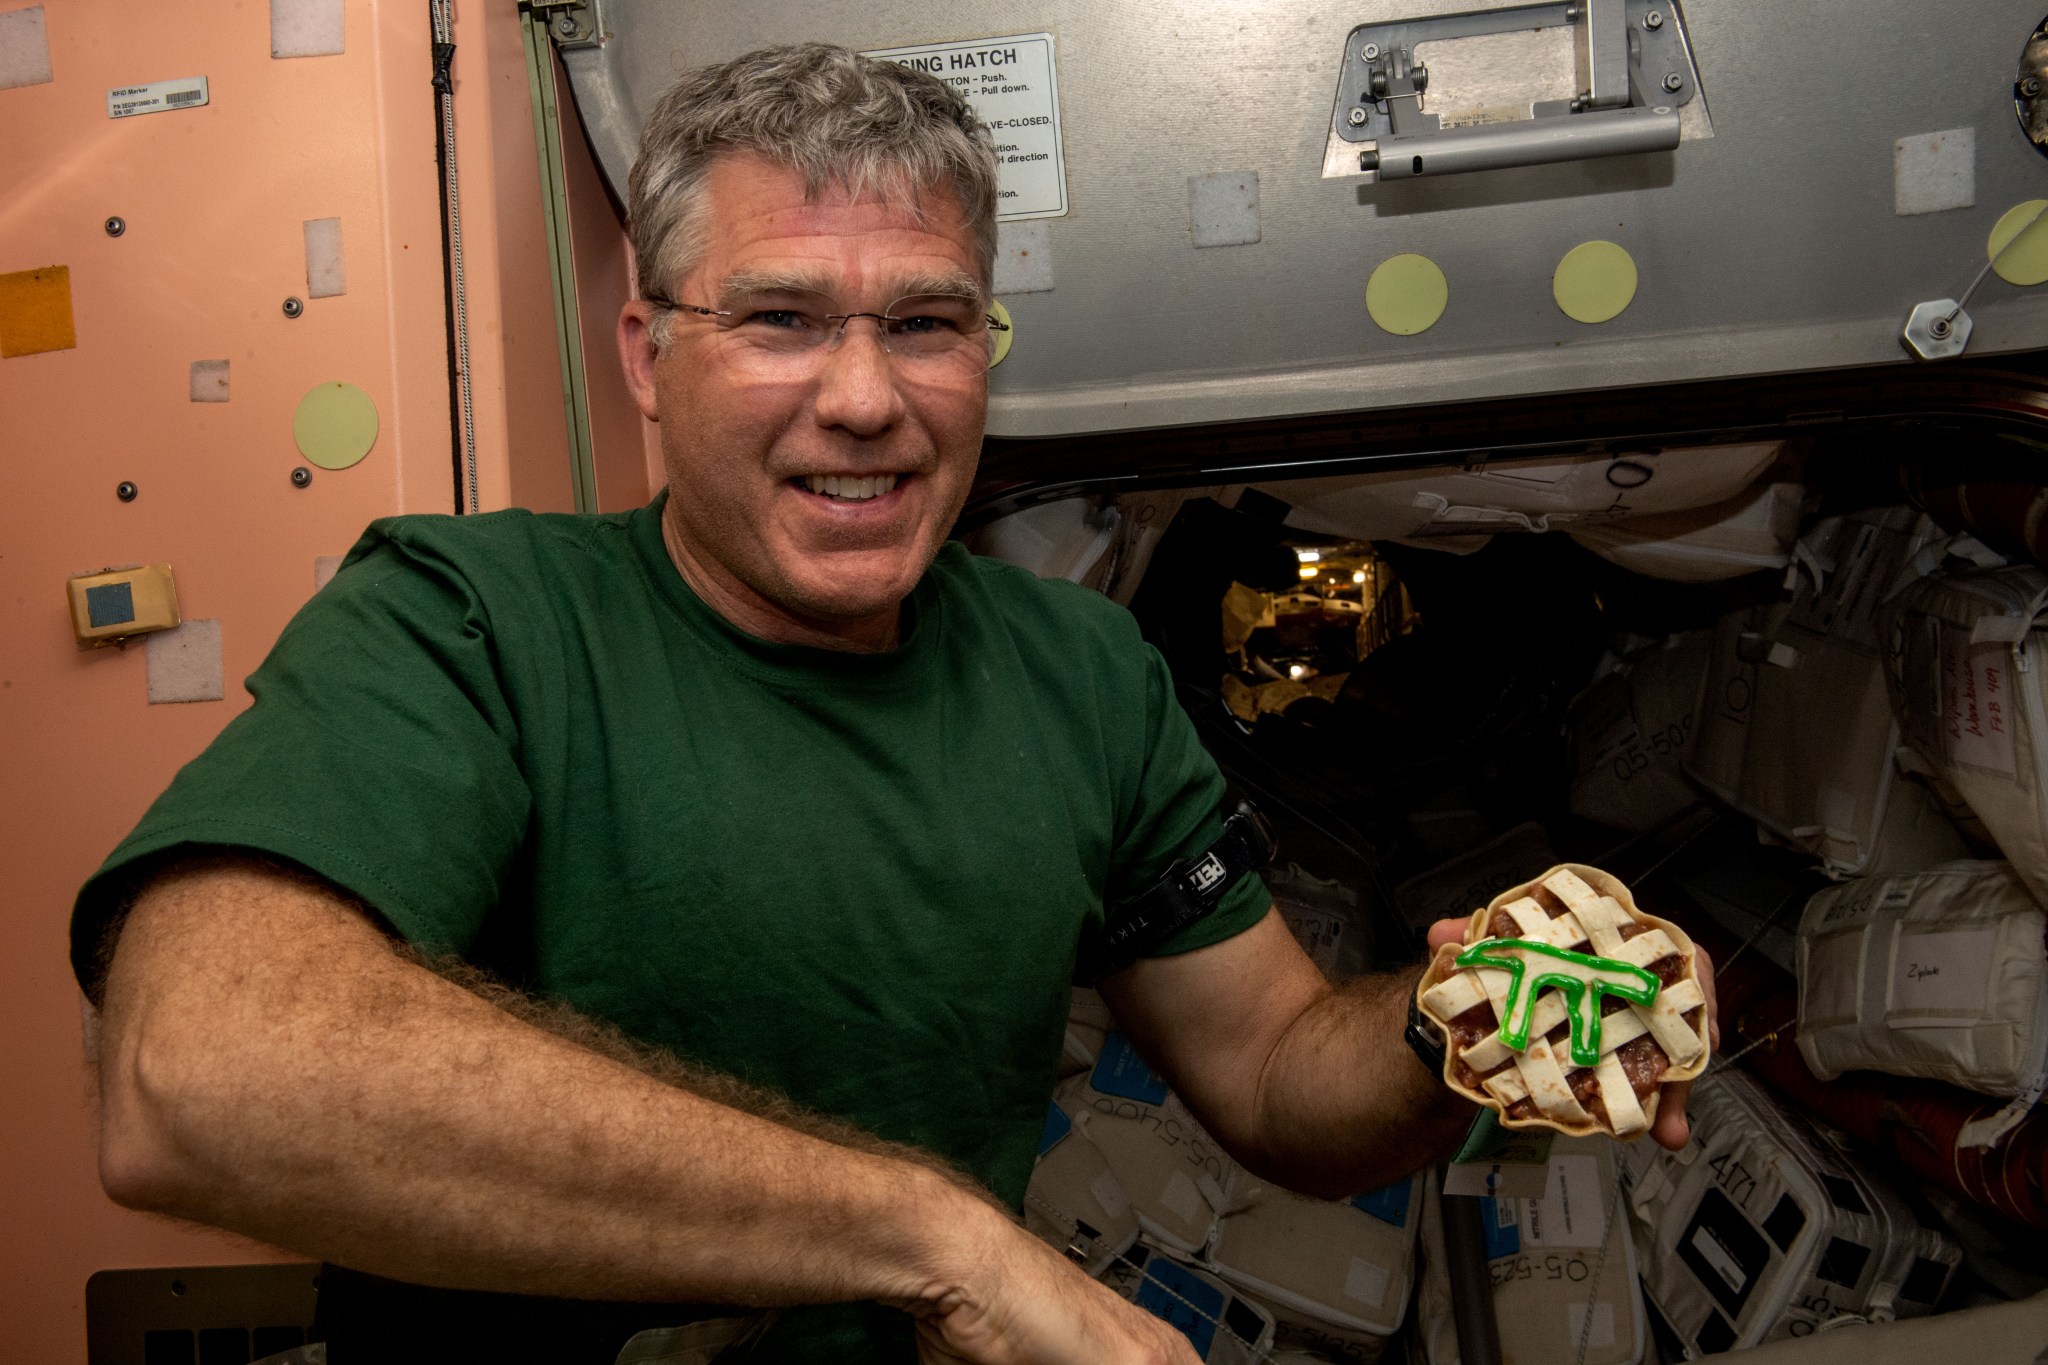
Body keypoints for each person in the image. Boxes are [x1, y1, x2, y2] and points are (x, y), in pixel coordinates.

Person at [72, 43, 1708, 1365]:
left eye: (925, 324)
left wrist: (1466, 1022)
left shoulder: (1078, 677)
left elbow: (1279, 1068)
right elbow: (197, 1074)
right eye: (781, 319)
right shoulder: (472, 621)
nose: (864, 400)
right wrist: (933, 1236)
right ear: (647, 354)